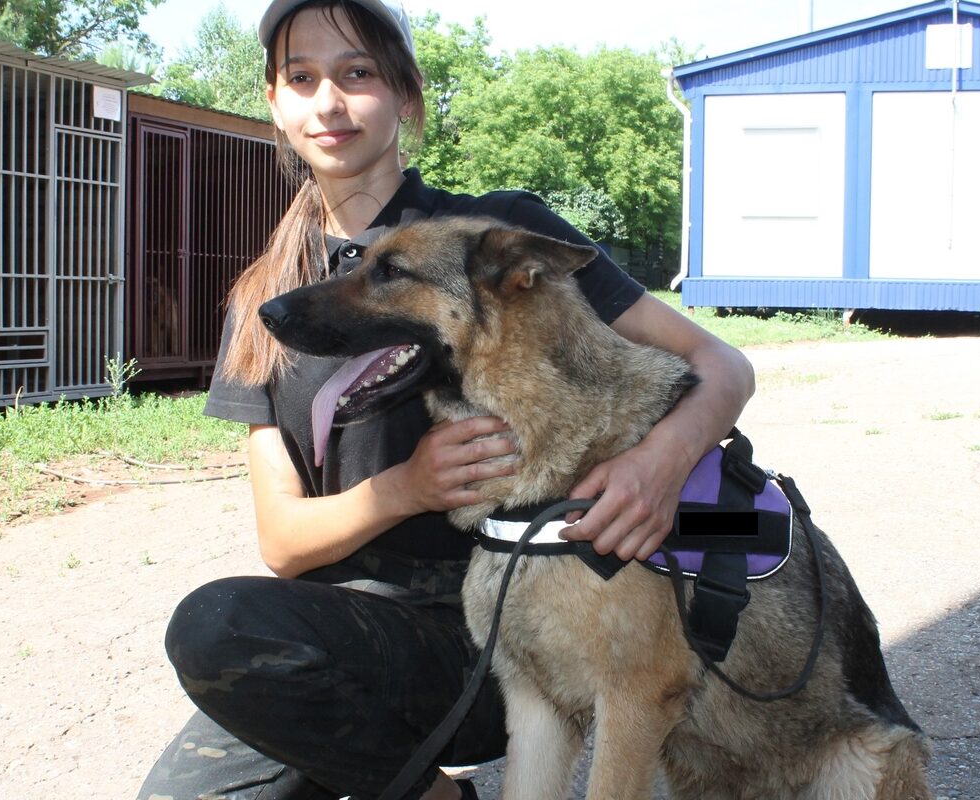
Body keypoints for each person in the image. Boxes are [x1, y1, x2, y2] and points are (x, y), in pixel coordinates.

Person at [139, 2, 755, 799]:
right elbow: (284, 544)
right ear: (276, 105)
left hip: (495, 632)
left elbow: (721, 363)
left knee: (217, 627)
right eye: (302, 78)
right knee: (213, 659)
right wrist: (407, 487)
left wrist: (660, 463)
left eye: (357, 72)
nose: (328, 102)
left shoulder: (493, 236)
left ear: (405, 93)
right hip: (338, 646)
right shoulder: (269, 300)